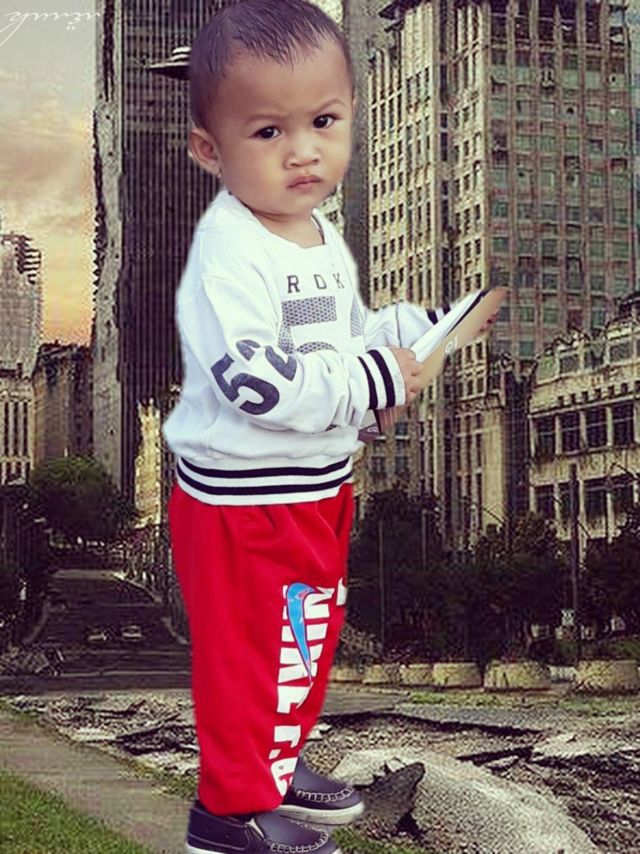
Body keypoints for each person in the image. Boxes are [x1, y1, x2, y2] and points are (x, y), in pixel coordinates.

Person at [162, 2, 496, 852]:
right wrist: (374, 377)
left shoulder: (315, 235)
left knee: (303, 642)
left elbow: (339, 341)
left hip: (315, 486)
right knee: (251, 654)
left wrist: (409, 333)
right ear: (210, 150)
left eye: (322, 122)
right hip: (244, 502)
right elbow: (255, 381)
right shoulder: (229, 252)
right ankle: (228, 815)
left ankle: (274, 765)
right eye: (268, 131)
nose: (303, 151)